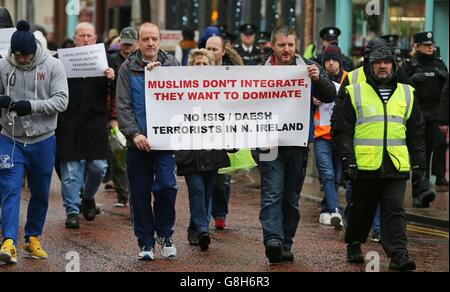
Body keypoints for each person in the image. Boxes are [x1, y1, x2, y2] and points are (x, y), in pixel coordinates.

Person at [334, 44, 426, 271]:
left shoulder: (407, 93)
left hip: (395, 164)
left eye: (386, 62)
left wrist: (419, 164)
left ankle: (398, 255)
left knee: (394, 209)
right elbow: (343, 130)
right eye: (377, 63)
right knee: (362, 211)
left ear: (394, 66)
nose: (382, 66)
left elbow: (416, 131)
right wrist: (348, 159)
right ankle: (354, 242)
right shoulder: (355, 92)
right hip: (365, 165)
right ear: (370, 66)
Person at [256, 25, 336, 264]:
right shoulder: (260, 71)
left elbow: (330, 94)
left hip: (298, 144)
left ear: (296, 44)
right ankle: (273, 240)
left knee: (290, 196)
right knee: (272, 193)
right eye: (282, 45)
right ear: (273, 45)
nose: (286, 49)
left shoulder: (309, 67)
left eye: (290, 44)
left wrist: (318, 79)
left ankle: (286, 241)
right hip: (269, 144)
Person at [0, 20, 69, 265]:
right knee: (9, 188)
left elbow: (62, 101)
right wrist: (2, 99)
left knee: (40, 192)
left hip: (43, 139)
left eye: (25, 57)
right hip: (11, 138)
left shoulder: (53, 65)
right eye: (17, 57)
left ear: (34, 51)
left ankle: (32, 238)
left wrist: (31, 106)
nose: (20, 61)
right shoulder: (2, 65)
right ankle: (8, 241)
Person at [116, 22, 179, 261]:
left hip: (165, 142)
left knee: (166, 187)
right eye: (145, 39)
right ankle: (145, 243)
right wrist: (134, 134)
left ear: (160, 40)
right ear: (139, 42)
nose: (150, 43)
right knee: (140, 193)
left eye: (154, 39)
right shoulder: (127, 68)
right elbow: (123, 105)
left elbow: (183, 98)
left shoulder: (172, 65)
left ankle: (165, 234)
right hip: (138, 143)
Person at [56, 22, 115, 229]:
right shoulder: (60, 60)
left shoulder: (106, 61)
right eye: (82, 36)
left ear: (96, 37)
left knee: (99, 167)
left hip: (95, 120)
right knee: (71, 169)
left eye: (89, 35)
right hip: (69, 120)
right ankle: (72, 209)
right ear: (75, 37)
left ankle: (88, 196)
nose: (86, 39)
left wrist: (111, 78)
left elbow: (116, 93)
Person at [177, 48, 233, 251]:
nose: (201, 68)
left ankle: (195, 229)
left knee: (207, 192)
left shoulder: (221, 92)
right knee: (197, 190)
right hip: (189, 150)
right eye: (197, 64)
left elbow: (230, 117)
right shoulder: (179, 91)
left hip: (213, 150)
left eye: (205, 64)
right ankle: (202, 229)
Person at [403, 32, 449, 200]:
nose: (431, 47)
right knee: (420, 154)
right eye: (426, 45)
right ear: (417, 46)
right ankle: (419, 193)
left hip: (436, 113)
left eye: (432, 45)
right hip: (417, 112)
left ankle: (436, 180)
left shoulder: (439, 64)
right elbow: (399, 86)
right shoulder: (410, 64)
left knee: (437, 147)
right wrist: (411, 79)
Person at [205, 36, 244, 229]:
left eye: (214, 49)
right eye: (207, 48)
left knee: (222, 179)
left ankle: (220, 213)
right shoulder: (196, 68)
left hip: (226, 129)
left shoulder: (234, 73)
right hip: (203, 129)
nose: (211, 53)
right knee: (203, 177)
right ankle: (202, 219)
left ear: (223, 51)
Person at [313, 45, 347, 228]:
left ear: (340, 62)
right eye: (328, 60)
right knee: (326, 174)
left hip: (339, 136)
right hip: (320, 136)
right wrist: (312, 100)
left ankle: (325, 209)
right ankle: (335, 210)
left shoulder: (348, 78)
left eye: (334, 60)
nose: (331, 63)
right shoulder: (317, 78)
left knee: (335, 177)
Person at [107, 27, 137, 208]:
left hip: (137, 113)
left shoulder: (141, 61)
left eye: (130, 45)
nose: (126, 48)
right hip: (117, 113)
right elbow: (109, 91)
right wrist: (113, 116)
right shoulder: (112, 61)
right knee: (117, 154)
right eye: (124, 44)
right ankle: (122, 194)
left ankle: (134, 192)